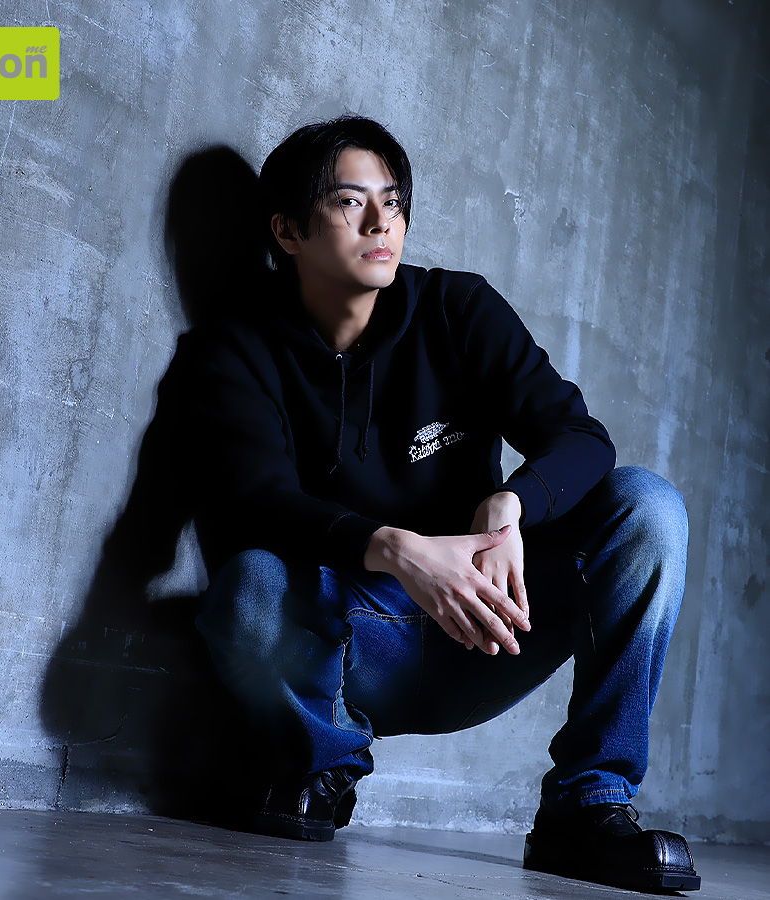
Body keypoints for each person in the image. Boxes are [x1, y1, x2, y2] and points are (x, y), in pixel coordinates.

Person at [170, 116, 700, 893]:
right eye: (350, 202)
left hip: (489, 625)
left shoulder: (457, 309)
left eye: (392, 201)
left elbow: (580, 437)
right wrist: (395, 548)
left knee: (648, 506)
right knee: (247, 585)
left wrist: (512, 503)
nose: (382, 224)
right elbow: (256, 499)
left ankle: (587, 806)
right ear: (286, 230)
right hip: (352, 646)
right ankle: (323, 764)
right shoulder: (237, 350)